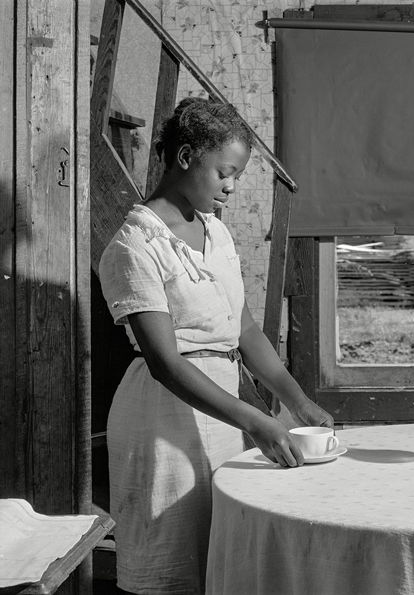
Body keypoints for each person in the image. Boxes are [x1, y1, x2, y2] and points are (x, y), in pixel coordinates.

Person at [98, 97, 334, 594]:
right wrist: (256, 420)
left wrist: (297, 401)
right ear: (186, 158)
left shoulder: (217, 233)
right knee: (167, 567)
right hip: (162, 419)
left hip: (222, 413)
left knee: (220, 562)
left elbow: (243, 331)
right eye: (225, 173)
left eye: (238, 177)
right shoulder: (134, 246)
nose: (231, 187)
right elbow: (164, 363)